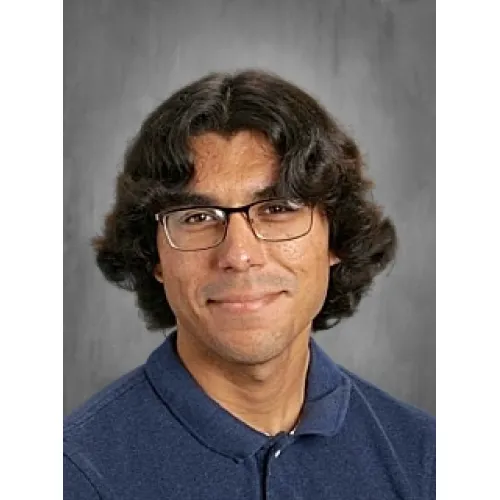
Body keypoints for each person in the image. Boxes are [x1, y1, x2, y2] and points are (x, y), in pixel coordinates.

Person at [64, 69, 435, 500]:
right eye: (197, 217)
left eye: (277, 209)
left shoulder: (426, 462)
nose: (239, 255)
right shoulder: (72, 476)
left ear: (336, 238)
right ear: (155, 258)